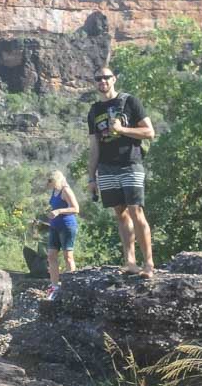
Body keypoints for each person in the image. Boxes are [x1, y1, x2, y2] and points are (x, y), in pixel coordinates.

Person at [87, 67, 157, 276]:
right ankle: (130, 262)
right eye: (98, 78)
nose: (102, 81)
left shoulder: (130, 102)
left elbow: (149, 132)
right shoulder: (94, 110)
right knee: (120, 213)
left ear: (114, 79)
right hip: (106, 167)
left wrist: (122, 130)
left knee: (136, 211)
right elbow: (94, 147)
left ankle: (149, 264)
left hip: (130, 163)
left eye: (106, 77)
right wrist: (91, 178)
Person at [44, 170, 79, 299]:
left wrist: (59, 211)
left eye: (50, 180)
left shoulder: (66, 190)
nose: (48, 183)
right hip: (54, 226)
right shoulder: (54, 191)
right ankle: (54, 286)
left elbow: (76, 208)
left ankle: (72, 285)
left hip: (67, 226)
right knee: (51, 255)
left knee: (68, 256)